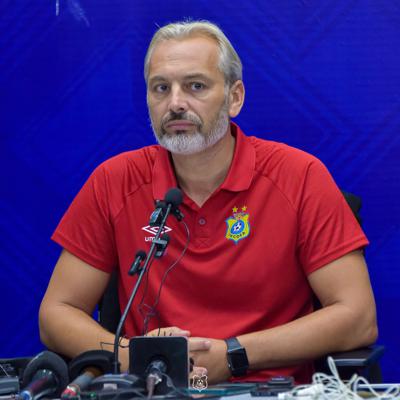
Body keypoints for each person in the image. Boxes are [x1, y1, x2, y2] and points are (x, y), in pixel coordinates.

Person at [39, 20, 378, 384]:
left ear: (235, 97)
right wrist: (136, 356)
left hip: (268, 390)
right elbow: (56, 313)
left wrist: (234, 355)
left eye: (195, 86)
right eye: (161, 88)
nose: (175, 103)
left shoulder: (300, 176)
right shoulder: (115, 180)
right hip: (152, 389)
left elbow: (358, 317)